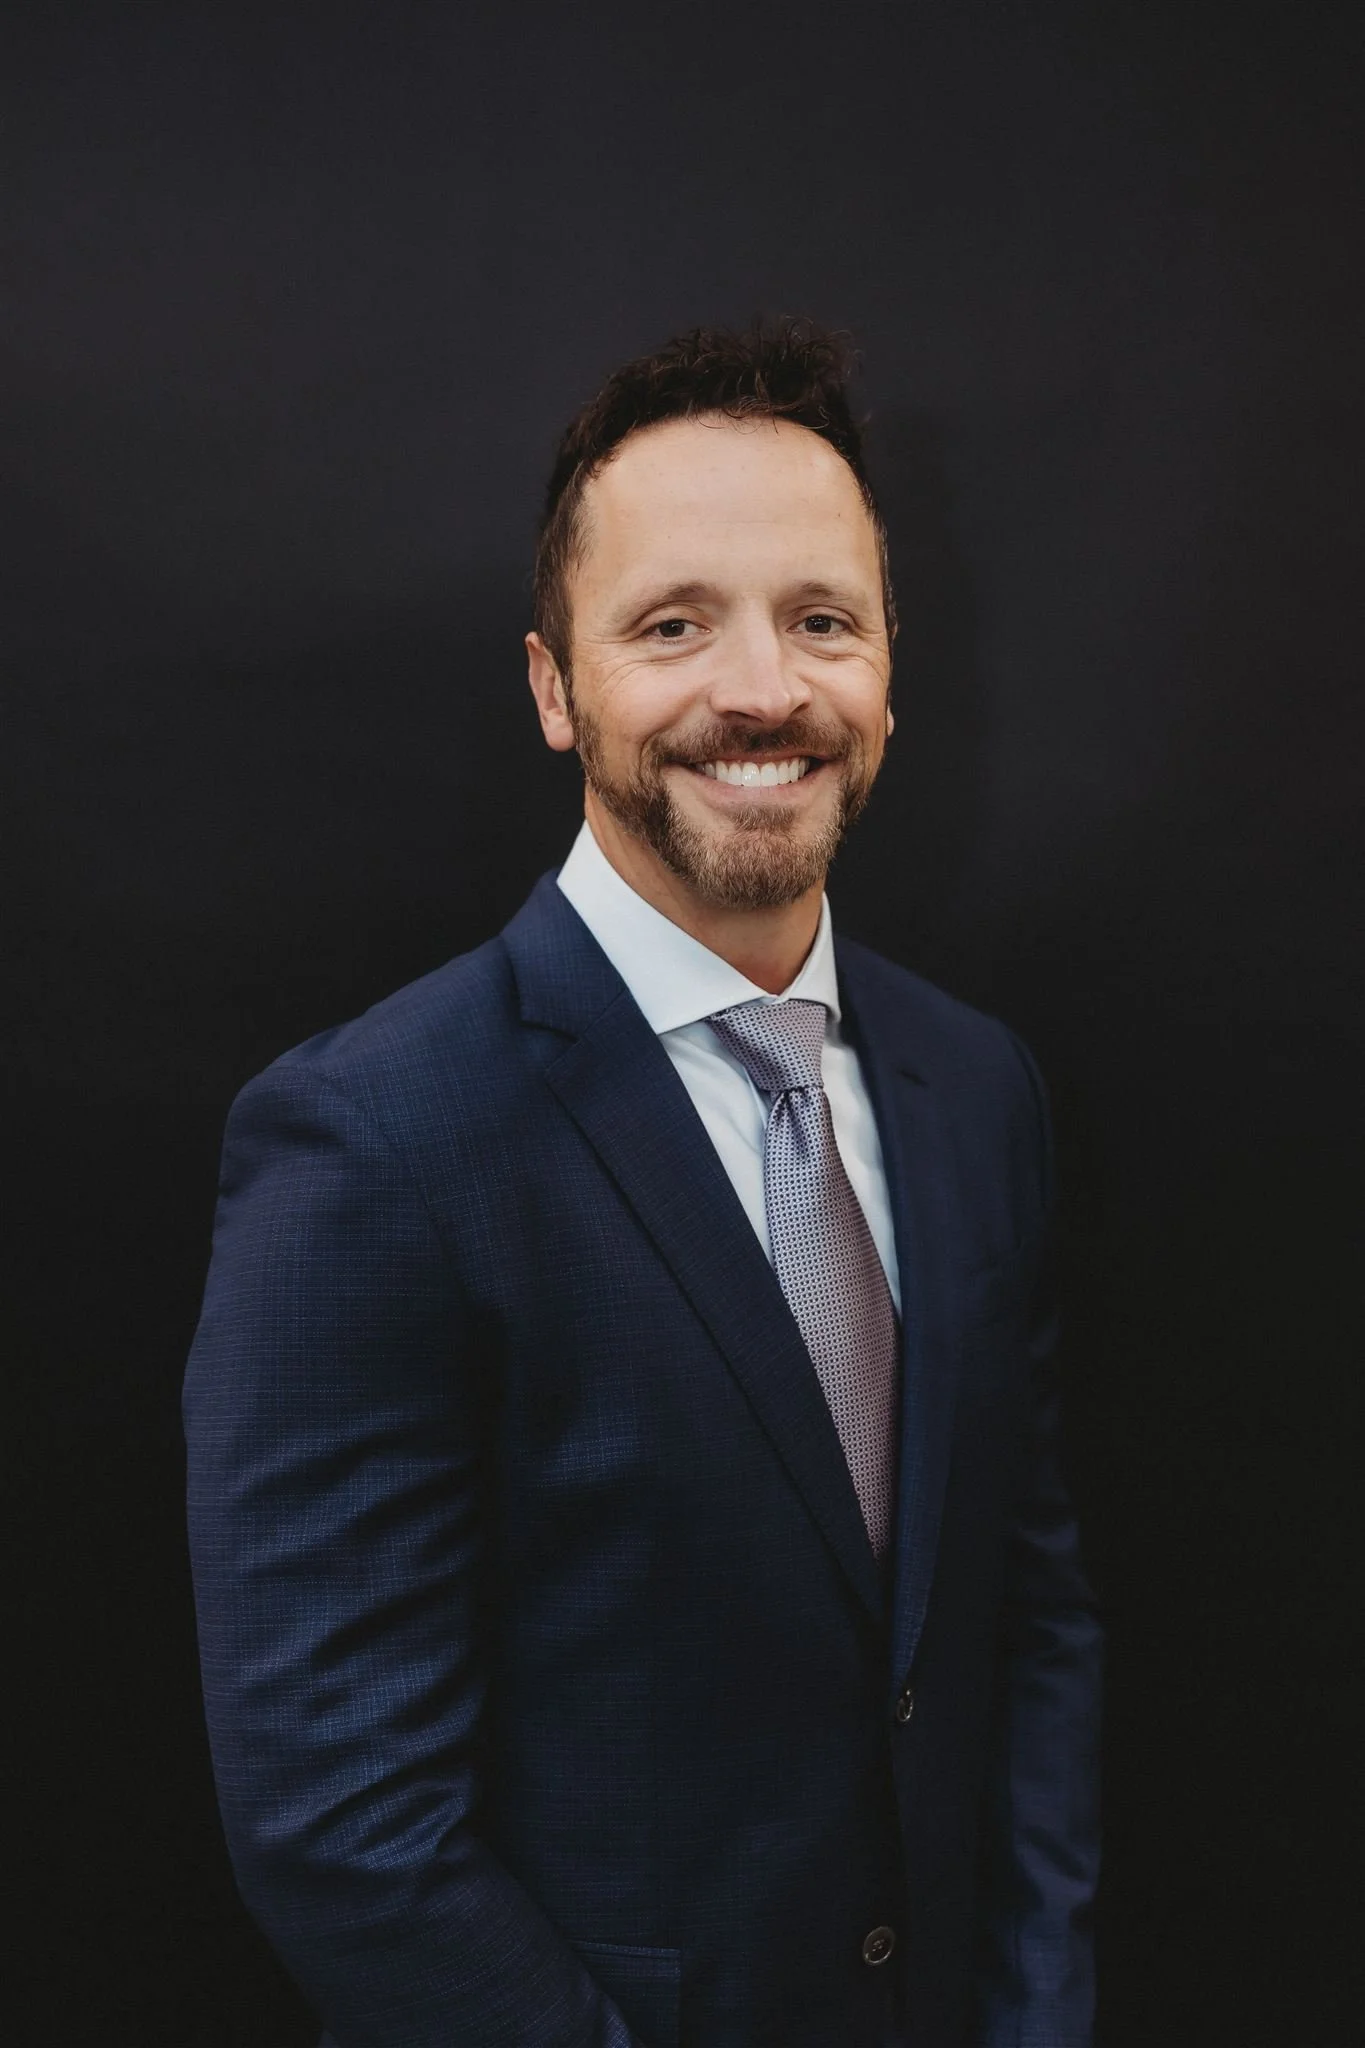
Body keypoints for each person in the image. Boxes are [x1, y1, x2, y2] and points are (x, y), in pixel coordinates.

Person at [183, 319, 1102, 2048]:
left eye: (822, 620)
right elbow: (341, 1833)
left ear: (890, 672)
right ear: (555, 685)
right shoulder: (368, 1139)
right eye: (673, 625)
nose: (762, 688)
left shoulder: (977, 1090)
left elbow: (1025, 1625)